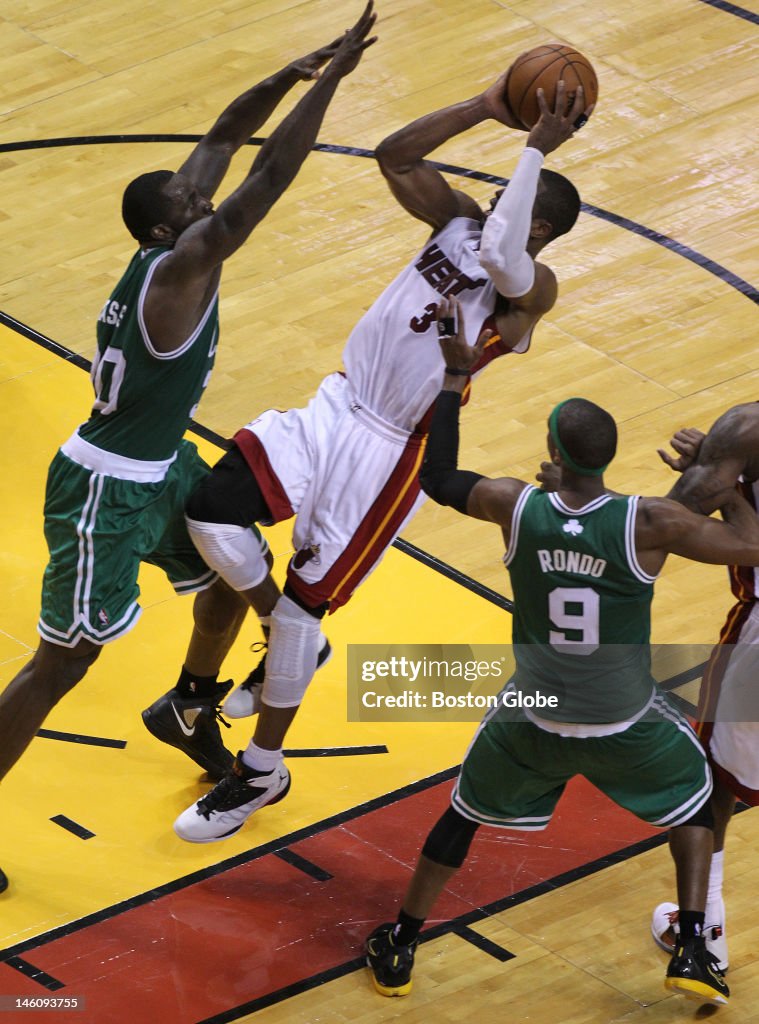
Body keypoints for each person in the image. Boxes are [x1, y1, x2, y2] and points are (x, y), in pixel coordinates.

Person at [0, 4, 377, 888]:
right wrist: (329, 88)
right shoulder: (180, 270)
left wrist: (291, 70)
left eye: (192, 188)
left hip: (157, 463)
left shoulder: (170, 243)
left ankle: (188, 704)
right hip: (105, 487)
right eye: (189, 202)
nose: (202, 193)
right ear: (169, 234)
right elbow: (268, 175)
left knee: (220, 578)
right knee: (63, 662)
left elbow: (221, 136)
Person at [171, 75, 591, 843]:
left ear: (541, 230)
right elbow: (393, 156)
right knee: (210, 512)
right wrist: (483, 107)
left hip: (391, 452)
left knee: (304, 608)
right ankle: (287, 633)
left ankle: (261, 770)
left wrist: (535, 147)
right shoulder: (462, 223)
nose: (496, 200)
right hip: (336, 403)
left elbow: (503, 252)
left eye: (516, 199)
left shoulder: (530, 290)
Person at [362, 298, 759, 1006]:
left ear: (552, 454)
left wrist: (453, 384)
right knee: (697, 804)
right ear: (607, 458)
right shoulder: (649, 523)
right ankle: (695, 946)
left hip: (535, 710)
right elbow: (752, 546)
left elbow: (436, 476)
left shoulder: (515, 504)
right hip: (621, 717)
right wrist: (728, 491)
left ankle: (400, 942)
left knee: (461, 813)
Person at [650, 403, 759, 973]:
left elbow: (670, 521)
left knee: (712, 781)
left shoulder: (747, 428)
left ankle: (706, 936)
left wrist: (724, 480)